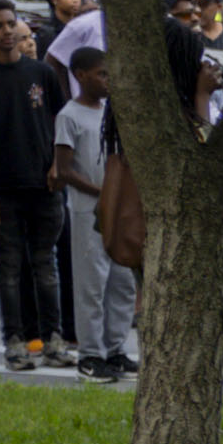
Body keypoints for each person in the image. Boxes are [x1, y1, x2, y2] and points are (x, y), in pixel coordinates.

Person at [0, 7, 71, 372]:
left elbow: (59, 122)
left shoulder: (41, 73)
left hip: (43, 184)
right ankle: (14, 340)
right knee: (9, 266)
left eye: (12, 25)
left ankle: (54, 339)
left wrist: (57, 164)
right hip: (2, 187)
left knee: (45, 264)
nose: (7, 32)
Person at [52, 39, 135, 378]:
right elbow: (63, 170)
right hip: (90, 210)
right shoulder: (69, 115)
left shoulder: (112, 112)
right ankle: (90, 353)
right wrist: (102, 192)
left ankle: (116, 348)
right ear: (81, 75)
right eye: (102, 75)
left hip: (118, 209)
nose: (107, 81)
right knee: (91, 282)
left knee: (122, 279)